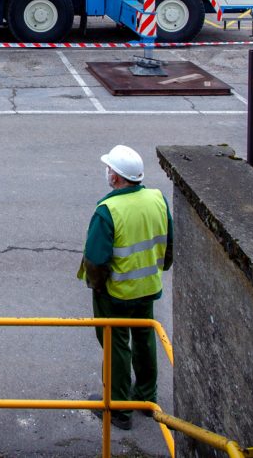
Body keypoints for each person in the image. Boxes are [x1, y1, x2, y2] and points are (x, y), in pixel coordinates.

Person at [78, 145, 173, 431]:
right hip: (148, 287)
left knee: (115, 344)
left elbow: (95, 259)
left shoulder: (108, 210)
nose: (107, 172)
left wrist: (97, 287)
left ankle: (119, 409)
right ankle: (146, 397)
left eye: (109, 168)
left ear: (116, 177)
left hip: (116, 293)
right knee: (145, 339)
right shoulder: (157, 199)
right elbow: (169, 243)